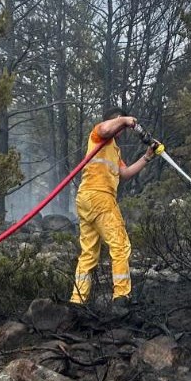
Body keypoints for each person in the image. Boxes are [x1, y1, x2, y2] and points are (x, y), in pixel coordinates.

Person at [69, 108, 160, 310]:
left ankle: (77, 300)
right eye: (118, 123)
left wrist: (147, 156)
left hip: (87, 199)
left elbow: (125, 173)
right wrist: (125, 119)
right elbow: (105, 128)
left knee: (89, 253)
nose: (121, 128)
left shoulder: (113, 149)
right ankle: (121, 297)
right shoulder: (98, 133)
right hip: (100, 197)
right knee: (120, 245)